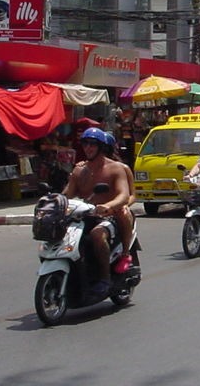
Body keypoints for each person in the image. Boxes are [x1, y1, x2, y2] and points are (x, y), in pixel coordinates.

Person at [62, 127, 131, 300]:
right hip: (84, 216)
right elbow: (67, 194)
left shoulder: (116, 168)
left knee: (97, 235)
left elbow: (124, 194)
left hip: (108, 216)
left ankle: (105, 279)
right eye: (85, 143)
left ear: (101, 146)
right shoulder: (79, 170)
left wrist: (108, 205)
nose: (88, 148)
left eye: (92, 144)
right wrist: (54, 202)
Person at [101, 131, 136, 268]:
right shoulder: (85, 167)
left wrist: (124, 205)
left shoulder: (122, 168)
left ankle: (125, 252)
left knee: (123, 213)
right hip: (95, 209)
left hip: (115, 209)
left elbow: (132, 195)